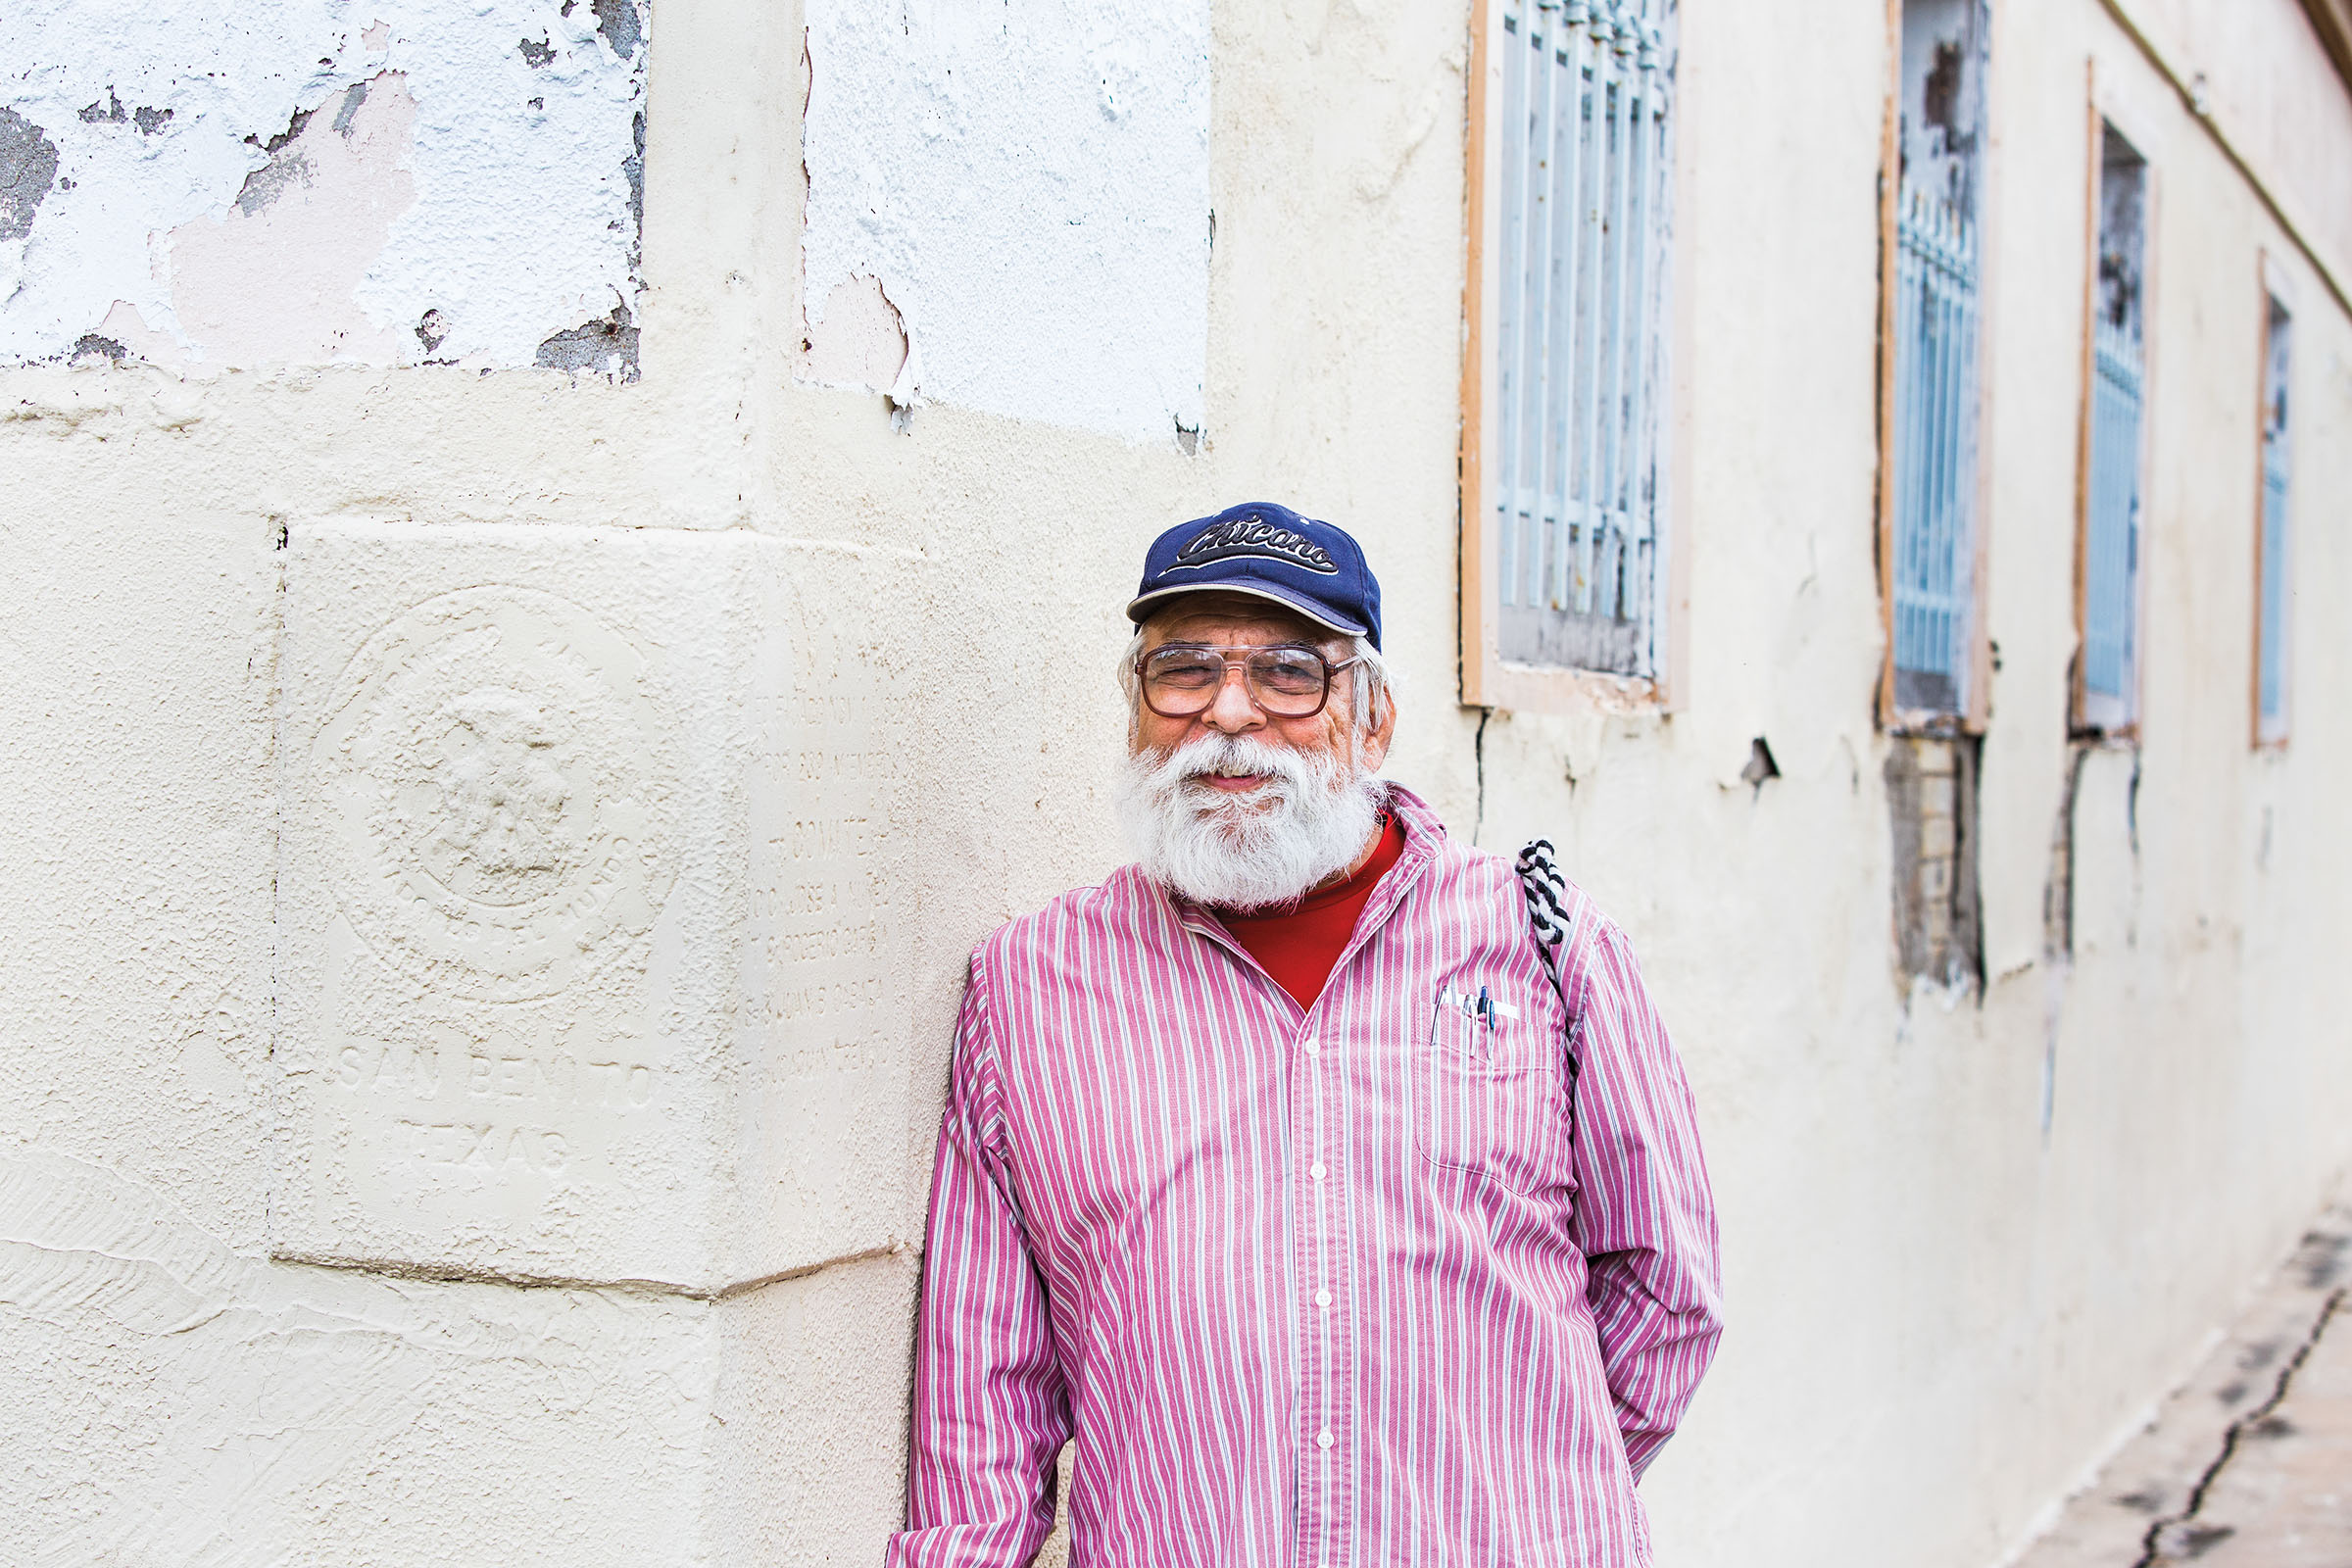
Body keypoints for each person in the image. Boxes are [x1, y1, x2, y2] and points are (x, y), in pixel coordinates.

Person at [885, 502, 1723, 1567]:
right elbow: (980, 1397)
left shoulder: (1544, 945)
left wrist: (1516, 1486)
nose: (1229, 715)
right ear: (1135, 710)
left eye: (1289, 673)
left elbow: (1666, 1294)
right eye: (1181, 670)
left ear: (1371, 717)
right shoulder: (1029, 989)